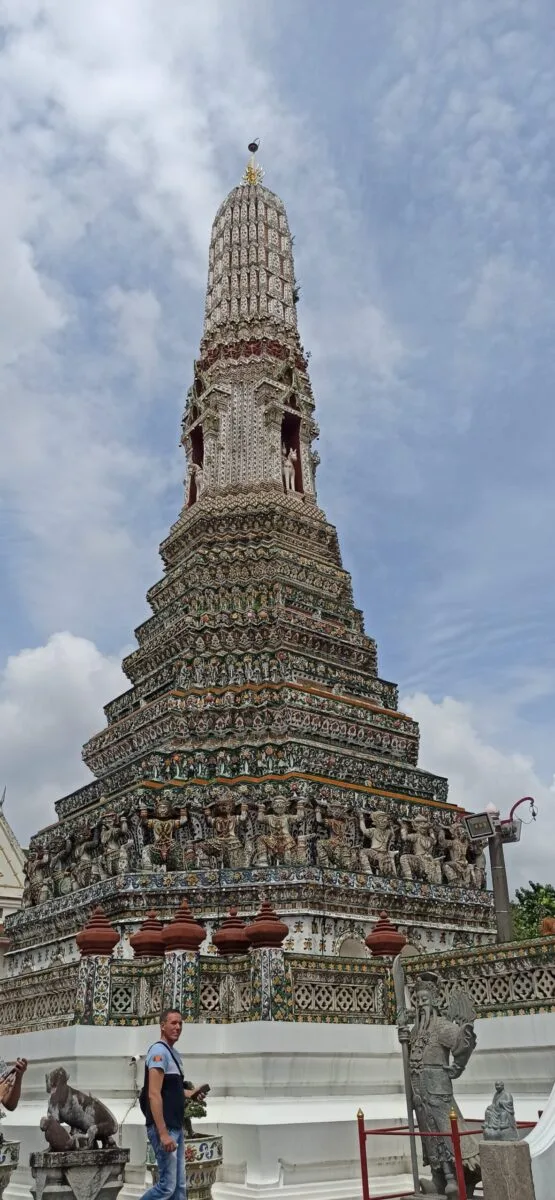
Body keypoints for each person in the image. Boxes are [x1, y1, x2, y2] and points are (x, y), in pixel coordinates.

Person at [140, 1009, 208, 1200]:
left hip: (175, 1127)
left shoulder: (173, 1054)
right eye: (173, 1023)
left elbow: (172, 1091)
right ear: (162, 1025)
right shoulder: (158, 1052)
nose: (177, 1027)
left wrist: (192, 1094)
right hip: (165, 1127)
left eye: (180, 1024)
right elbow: (154, 1094)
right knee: (166, 1187)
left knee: (179, 1188)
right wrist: (162, 1133)